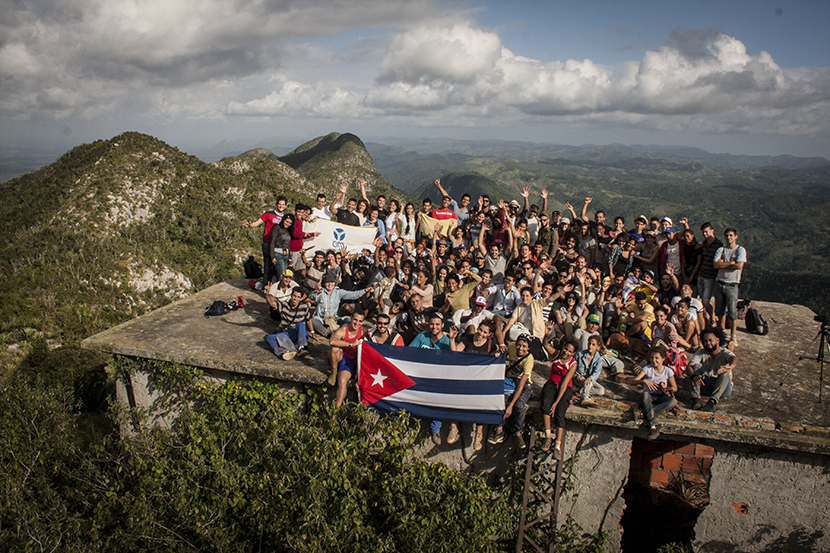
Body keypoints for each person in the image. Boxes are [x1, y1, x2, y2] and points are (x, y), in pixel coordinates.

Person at [410, 314, 453, 445]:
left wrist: (452, 340)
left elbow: (453, 358)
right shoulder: (422, 336)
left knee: (438, 399)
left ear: (442, 325)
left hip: (437, 378)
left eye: (437, 324)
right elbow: (409, 352)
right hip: (419, 374)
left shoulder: (446, 341)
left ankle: (435, 430)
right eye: (432, 324)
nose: (434, 327)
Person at [489, 334, 534, 449]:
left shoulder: (529, 359)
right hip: (509, 379)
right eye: (519, 345)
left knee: (519, 405)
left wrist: (511, 406)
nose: (520, 348)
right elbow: (505, 354)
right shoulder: (512, 346)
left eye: (524, 346)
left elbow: (522, 383)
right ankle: (499, 429)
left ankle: (518, 430)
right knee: (499, 398)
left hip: (523, 383)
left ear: (528, 348)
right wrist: (499, 353)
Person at [539, 340, 577, 457]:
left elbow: (565, 384)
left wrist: (556, 402)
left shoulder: (573, 364)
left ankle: (557, 446)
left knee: (560, 412)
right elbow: (545, 345)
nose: (566, 352)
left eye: (570, 351)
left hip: (564, 387)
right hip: (552, 383)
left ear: (573, 354)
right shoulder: (557, 354)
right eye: (566, 349)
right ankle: (548, 436)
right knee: (546, 405)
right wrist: (547, 334)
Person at [632, 347, 677, 440]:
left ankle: (642, 414)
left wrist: (666, 388)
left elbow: (675, 388)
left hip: (660, 396)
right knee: (645, 395)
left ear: (663, 359)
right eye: (652, 358)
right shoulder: (648, 369)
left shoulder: (668, 371)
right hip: (649, 395)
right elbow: (633, 381)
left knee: (673, 401)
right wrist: (644, 381)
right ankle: (653, 428)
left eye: (656, 358)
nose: (654, 360)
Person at [688, 327, 737, 412]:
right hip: (707, 384)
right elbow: (689, 366)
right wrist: (694, 377)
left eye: (710, 340)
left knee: (724, 372)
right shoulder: (701, 352)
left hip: (723, 388)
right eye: (705, 341)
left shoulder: (724, 352)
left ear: (718, 340)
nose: (708, 343)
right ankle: (695, 399)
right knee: (696, 367)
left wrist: (731, 366)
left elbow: (733, 358)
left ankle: (712, 402)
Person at [242, 195, 287, 283]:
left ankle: (276, 287)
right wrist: (250, 225)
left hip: (278, 246)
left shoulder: (285, 218)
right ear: (276, 204)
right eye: (279, 204)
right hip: (268, 243)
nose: (281, 206)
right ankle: (266, 286)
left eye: (283, 204)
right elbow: (257, 223)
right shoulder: (268, 214)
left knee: (278, 267)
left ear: (285, 206)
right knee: (267, 266)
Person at [713, 228, 747, 345]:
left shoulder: (740, 250)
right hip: (720, 283)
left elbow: (739, 265)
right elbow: (715, 264)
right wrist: (730, 263)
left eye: (731, 235)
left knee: (732, 311)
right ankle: (722, 334)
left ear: (736, 236)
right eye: (727, 235)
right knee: (720, 311)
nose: (729, 238)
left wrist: (723, 264)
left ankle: (733, 335)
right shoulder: (721, 249)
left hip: (732, 284)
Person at [265, 287, 317, 360]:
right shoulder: (284, 305)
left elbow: (308, 320)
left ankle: (302, 347)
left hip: (300, 333)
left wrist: (313, 333)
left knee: (300, 324)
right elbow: (272, 304)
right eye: (294, 296)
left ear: (301, 298)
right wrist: (267, 293)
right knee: (269, 337)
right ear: (291, 296)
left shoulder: (304, 307)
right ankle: (284, 352)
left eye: (298, 297)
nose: (295, 299)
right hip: (287, 333)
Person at [330, 311, 367, 407]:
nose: (357, 323)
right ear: (351, 319)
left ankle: (336, 408)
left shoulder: (364, 331)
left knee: (342, 380)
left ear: (362, 322)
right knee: (334, 348)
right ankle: (334, 372)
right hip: (339, 358)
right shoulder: (343, 330)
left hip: (350, 362)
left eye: (360, 321)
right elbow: (332, 341)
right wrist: (350, 344)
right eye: (355, 319)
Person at [697, 222, 723, 319]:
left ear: (712, 231)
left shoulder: (719, 245)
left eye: (707, 232)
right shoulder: (704, 244)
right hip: (702, 274)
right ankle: (706, 318)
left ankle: (712, 318)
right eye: (703, 232)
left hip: (711, 276)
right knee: (702, 300)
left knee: (705, 300)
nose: (705, 234)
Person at [573, 335, 606, 406]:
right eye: (589, 343)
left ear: (598, 347)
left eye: (593, 344)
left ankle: (580, 390)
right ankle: (585, 398)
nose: (590, 346)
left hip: (589, 380)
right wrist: (576, 375)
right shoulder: (580, 354)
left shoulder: (599, 359)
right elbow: (573, 367)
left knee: (601, 390)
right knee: (588, 383)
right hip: (579, 379)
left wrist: (590, 378)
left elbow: (596, 372)